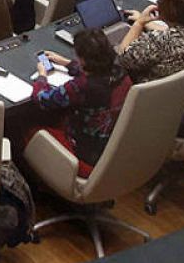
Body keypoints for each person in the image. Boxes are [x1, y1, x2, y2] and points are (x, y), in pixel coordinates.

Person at [29, 30, 131, 171]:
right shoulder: (120, 72)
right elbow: (97, 72)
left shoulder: (80, 86)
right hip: (108, 140)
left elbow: (42, 99)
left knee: (27, 127)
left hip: (83, 147)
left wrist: (42, 76)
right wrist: (66, 63)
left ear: (83, 59)